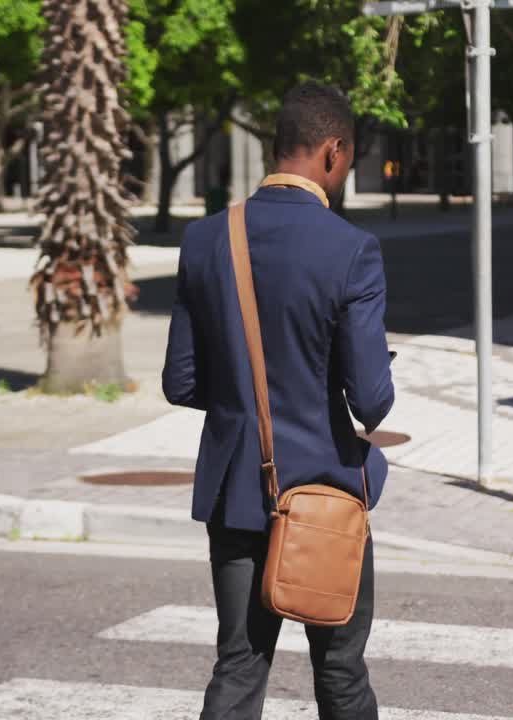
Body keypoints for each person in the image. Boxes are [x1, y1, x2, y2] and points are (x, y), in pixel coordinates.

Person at [163, 81, 395, 720]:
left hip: (237, 492)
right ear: (333, 151)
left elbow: (180, 383)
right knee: (342, 672)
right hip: (324, 495)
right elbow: (373, 401)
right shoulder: (352, 250)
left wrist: (245, 391)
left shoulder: (207, 238)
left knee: (238, 667)